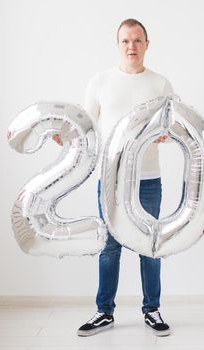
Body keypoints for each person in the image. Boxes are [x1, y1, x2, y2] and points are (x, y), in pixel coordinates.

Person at [55, 18, 173, 337]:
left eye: (137, 40)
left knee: (149, 245)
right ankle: (104, 311)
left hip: (148, 179)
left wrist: (165, 134)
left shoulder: (161, 84)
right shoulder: (100, 81)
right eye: (125, 41)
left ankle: (153, 310)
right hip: (110, 180)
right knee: (110, 246)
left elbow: (171, 125)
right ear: (118, 45)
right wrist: (64, 136)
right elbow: (85, 124)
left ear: (148, 44)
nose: (131, 46)